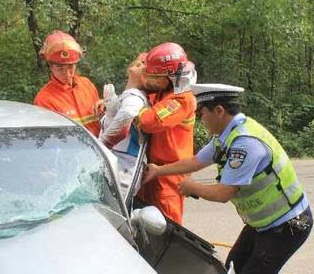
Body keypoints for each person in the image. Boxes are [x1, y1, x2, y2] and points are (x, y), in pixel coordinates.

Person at [142, 83, 313, 274]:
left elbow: (223, 193)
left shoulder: (245, 144)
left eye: (203, 114)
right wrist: (159, 170)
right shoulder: (227, 133)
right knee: (233, 268)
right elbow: (197, 160)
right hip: (262, 224)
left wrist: (192, 187)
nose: (201, 120)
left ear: (219, 111)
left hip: (287, 227)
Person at [134, 42, 197, 224]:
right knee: (144, 224)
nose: (149, 81)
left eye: (155, 77)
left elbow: (148, 122)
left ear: (171, 77)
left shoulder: (182, 100)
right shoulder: (161, 93)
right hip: (152, 170)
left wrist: (128, 107)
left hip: (169, 175)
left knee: (166, 226)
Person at [99, 54, 149, 196]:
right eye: (139, 60)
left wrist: (99, 147)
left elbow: (125, 118)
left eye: (145, 63)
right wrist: (111, 108)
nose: (140, 62)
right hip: (116, 165)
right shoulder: (126, 96)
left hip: (123, 169)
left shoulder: (135, 97)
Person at [34, 30, 101, 136]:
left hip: (99, 147)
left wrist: (105, 107)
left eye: (71, 67)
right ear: (50, 66)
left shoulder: (86, 84)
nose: (67, 74)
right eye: (60, 69)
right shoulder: (44, 100)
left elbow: (100, 119)